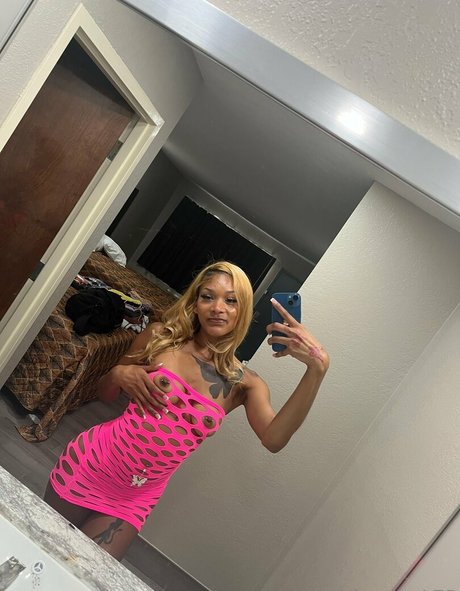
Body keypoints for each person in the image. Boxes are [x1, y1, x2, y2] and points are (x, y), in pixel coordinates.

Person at [44, 261, 329, 560]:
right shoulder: (158, 337)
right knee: (42, 548)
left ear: (242, 311)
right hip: (92, 463)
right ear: (195, 303)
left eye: (231, 300)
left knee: (83, 570)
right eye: (208, 297)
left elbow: (274, 440)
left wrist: (316, 369)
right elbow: (104, 393)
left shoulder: (245, 384)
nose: (217, 308)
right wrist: (117, 374)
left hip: (134, 497)